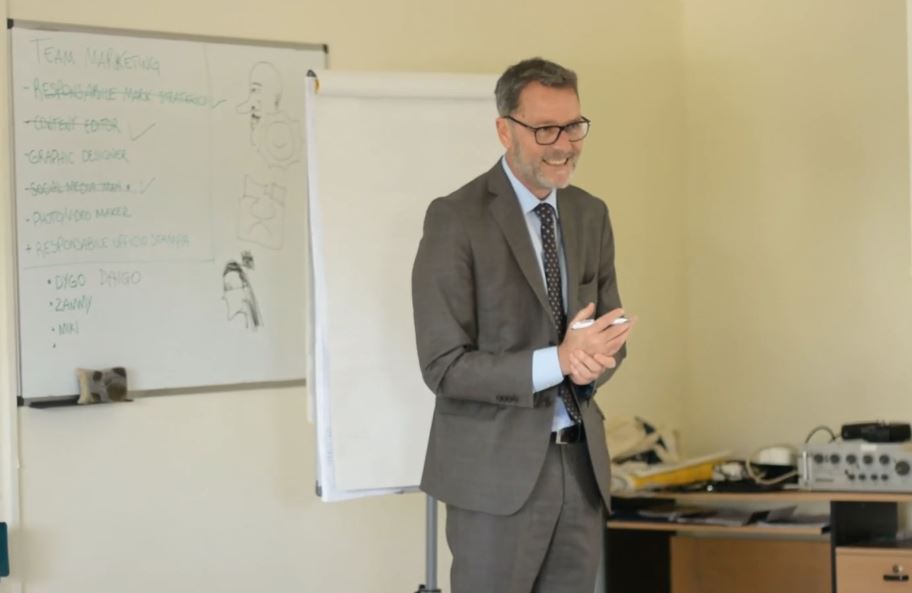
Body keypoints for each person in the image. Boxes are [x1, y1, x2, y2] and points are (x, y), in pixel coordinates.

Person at [411, 57, 635, 593]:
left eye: (574, 126)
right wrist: (559, 360)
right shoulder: (455, 218)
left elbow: (608, 333)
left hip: (579, 468)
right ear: (505, 130)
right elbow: (443, 367)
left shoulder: (591, 214)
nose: (564, 144)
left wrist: (594, 362)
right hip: (494, 478)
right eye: (545, 130)